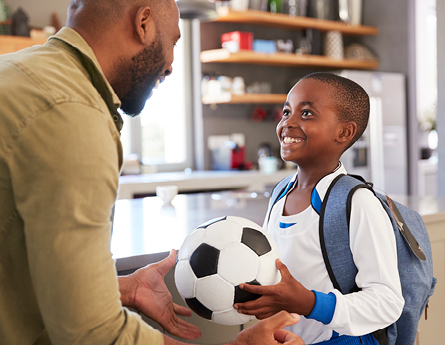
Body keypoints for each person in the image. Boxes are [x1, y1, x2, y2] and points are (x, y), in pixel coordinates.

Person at [0, 0, 304, 344]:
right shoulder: (71, 114)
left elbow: (14, 267)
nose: (172, 65)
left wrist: (115, 288)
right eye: (173, 42)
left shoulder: (18, 72)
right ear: (143, 22)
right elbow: (92, 334)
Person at [233, 73, 405, 345]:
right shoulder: (280, 194)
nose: (288, 122)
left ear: (344, 132)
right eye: (287, 111)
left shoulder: (356, 202)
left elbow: (387, 302)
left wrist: (310, 303)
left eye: (307, 113)